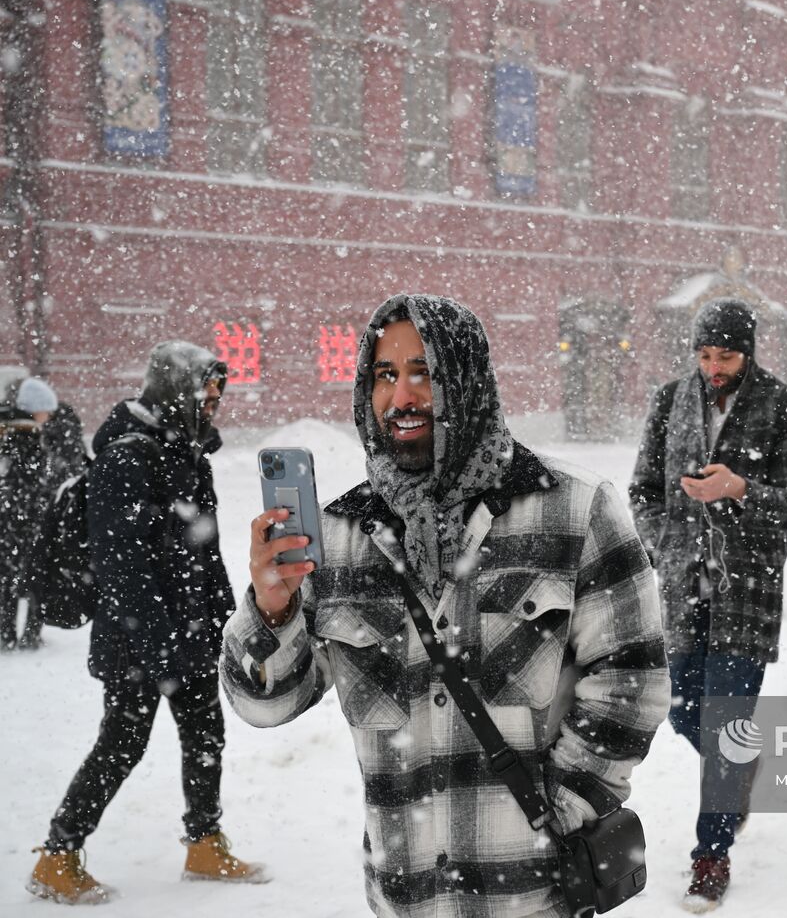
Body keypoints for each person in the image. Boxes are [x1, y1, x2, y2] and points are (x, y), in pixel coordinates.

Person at [222, 295, 669, 918]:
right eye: (385, 375)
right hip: (406, 899)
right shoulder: (340, 537)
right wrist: (271, 612)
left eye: (423, 372)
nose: (401, 397)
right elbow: (265, 704)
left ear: (466, 379)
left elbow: (633, 681)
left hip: (533, 900)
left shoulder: (576, 510)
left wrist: (558, 809)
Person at [29, 343, 262, 905]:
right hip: (141, 640)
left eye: (217, 395)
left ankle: (204, 843)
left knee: (206, 735)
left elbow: (203, 555)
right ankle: (57, 858)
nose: (213, 405)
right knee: (121, 746)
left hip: (192, 631)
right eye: (205, 393)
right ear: (176, 389)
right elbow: (122, 565)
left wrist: (228, 622)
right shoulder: (126, 459)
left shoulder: (186, 452)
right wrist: (160, 645)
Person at [630, 297, 787, 911]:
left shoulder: (784, 406)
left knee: (720, 719)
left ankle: (711, 853)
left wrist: (739, 489)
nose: (713, 366)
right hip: (683, 591)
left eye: (726, 355)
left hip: (749, 590)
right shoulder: (670, 399)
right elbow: (642, 490)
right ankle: (740, 764)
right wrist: (664, 545)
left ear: (749, 351)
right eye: (705, 354)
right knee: (684, 712)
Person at [0, 377, 57, 650]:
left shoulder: (7, 432)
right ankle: (29, 635)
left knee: (7, 579)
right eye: (46, 409)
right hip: (24, 519)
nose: (49, 416)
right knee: (36, 577)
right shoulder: (26, 437)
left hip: (8, 519)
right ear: (35, 409)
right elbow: (31, 484)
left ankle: (6, 632)